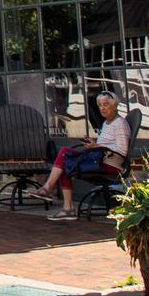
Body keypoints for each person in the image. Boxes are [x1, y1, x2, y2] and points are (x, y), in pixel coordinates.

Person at [31, 91, 130, 221]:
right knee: (65, 158)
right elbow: (105, 145)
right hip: (100, 159)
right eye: (100, 105)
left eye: (106, 104)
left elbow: (122, 151)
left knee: (65, 157)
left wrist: (97, 147)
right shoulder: (107, 123)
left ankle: (59, 200)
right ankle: (59, 200)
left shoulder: (119, 124)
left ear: (115, 105)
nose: (102, 108)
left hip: (110, 165)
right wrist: (93, 144)